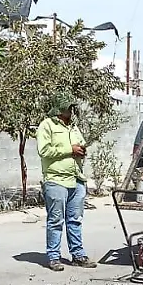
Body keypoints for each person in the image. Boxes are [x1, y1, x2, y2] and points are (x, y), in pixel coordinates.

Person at [36, 100, 97, 272]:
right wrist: (70, 149)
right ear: (59, 108)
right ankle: (54, 257)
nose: (72, 110)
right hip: (56, 180)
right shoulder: (46, 126)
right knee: (55, 220)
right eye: (69, 107)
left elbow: (80, 143)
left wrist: (81, 149)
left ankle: (78, 255)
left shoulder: (73, 126)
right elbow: (44, 150)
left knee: (75, 220)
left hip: (76, 179)